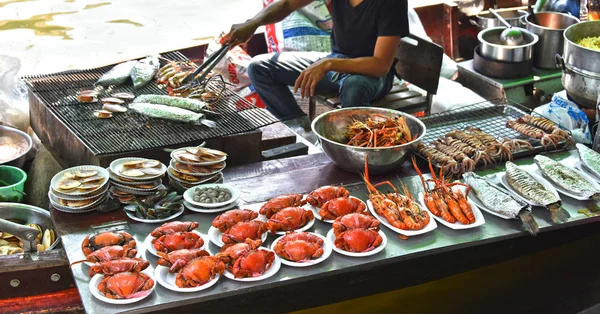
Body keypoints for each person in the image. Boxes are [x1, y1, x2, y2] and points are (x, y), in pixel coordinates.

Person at [221, 0, 409, 140]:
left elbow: (380, 65)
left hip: (372, 75)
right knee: (260, 67)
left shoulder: (392, 2)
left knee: (354, 86)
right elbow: (287, 4)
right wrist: (253, 23)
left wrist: (328, 64)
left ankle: (352, 146)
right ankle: (303, 131)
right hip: (337, 61)